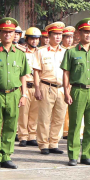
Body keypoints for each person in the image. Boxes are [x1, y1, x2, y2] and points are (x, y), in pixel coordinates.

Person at [0, 17, 30, 170]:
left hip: (14, 93)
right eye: (5, 32)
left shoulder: (20, 54)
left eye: (11, 32)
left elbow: (23, 76)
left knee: (11, 125)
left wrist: (24, 94)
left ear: (15, 34)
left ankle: (6, 156)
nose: (8, 35)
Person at [61, 18, 90, 166]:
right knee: (74, 125)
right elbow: (66, 73)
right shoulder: (72, 52)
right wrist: (67, 92)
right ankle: (73, 155)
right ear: (79, 34)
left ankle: (87, 155)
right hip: (77, 90)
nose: (88, 35)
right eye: (85, 32)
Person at [31, 22, 68, 155]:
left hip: (62, 88)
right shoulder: (41, 51)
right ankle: (43, 144)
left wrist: (68, 90)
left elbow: (68, 73)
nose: (58, 37)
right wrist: (37, 88)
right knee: (44, 117)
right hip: (46, 86)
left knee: (59, 117)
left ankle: (54, 143)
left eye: (60, 35)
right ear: (49, 35)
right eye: (55, 35)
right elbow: (36, 71)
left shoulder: (65, 52)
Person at [17, 27, 41, 147]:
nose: (34, 41)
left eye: (36, 39)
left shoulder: (41, 52)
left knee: (34, 113)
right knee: (23, 112)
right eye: (32, 39)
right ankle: (23, 136)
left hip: (36, 86)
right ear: (27, 39)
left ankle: (32, 135)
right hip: (25, 85)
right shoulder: (21, 52)